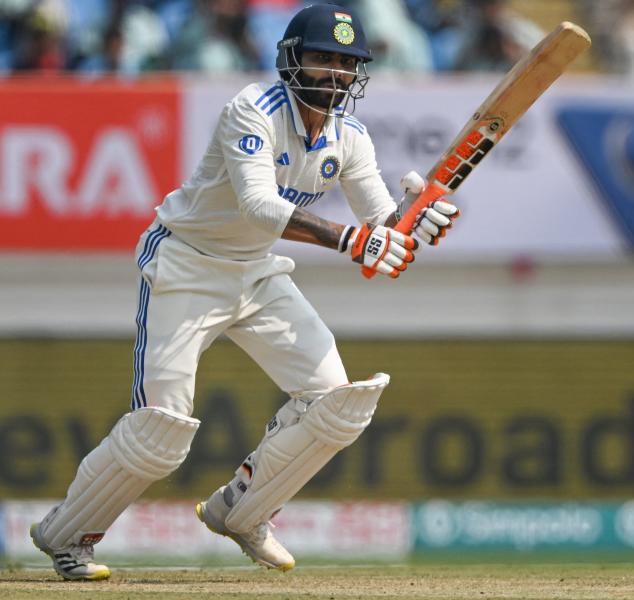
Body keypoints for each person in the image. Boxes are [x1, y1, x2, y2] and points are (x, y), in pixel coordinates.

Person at [29, 2, 459, 581]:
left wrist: (415, 223)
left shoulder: (350, 138)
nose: (334, 72)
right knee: (161, 429)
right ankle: (64, 536)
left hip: (255, 273)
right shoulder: (251, 110)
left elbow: (381, 225)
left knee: (338, 403)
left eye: (345, 63)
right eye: (322, 58)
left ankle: (242, 510)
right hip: (187, 265)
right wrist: (358, 241)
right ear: (292, 60)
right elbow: (261, 207)